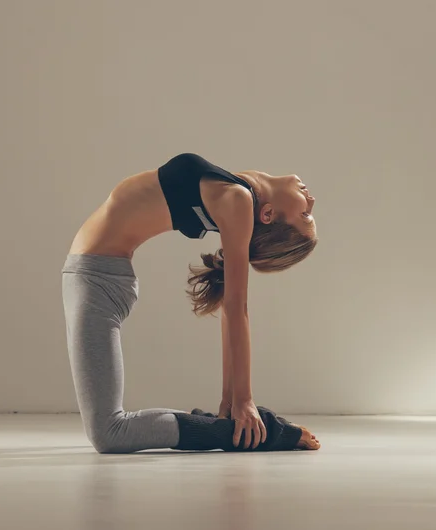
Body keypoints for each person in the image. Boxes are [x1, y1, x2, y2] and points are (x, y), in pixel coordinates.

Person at [62, 153, 321, 453]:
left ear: (268, 215)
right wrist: (229, 402)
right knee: (109, 429)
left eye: (305, 216)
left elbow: (237, 310)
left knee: (109, 433)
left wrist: (242, 401)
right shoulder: (241, 192)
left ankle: (268, 433)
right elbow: (230, 309)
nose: (311, 202)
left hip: (97, 281)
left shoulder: (238, 200)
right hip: (91, 276)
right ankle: (233, 426)